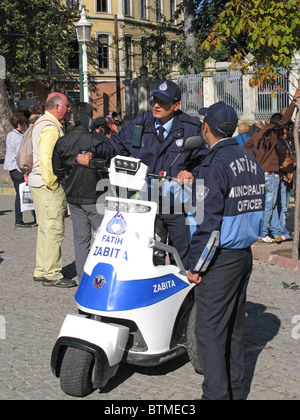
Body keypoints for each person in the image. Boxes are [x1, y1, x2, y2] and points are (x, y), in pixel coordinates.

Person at [177, 101, 265, 400]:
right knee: (234, 329)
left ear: (206, 128)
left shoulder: (211, 165)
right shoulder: (249, 160)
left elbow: (208, 226)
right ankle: (235, 392)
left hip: (219, 258)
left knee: (209, 333)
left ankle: (215, 395)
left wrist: (195, 266)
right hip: (243, 255)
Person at [77, 80, 203, 266]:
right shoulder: (140, 124)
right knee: (147, 252)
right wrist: (91, 152)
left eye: (164, 102)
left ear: (177, 106)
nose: (157, 105)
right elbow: (114, 144)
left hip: (176, 202)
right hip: (144, 199)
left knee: (181, 253)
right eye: (154, 100)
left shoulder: (190, 127)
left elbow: (203, 159)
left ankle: (186, 293)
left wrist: (190, 173)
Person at [52, 102, 107, 281]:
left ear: (75, 116)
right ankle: (101, 277)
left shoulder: (63, 140)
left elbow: (57, 169)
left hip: (74, 195)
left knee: (80, 238)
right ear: (90, 116)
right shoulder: (99, 140)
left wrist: (66, 182)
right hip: (96, 195)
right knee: (103, 239)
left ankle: (83, 276)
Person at [28, 92, 77, 288]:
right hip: (46, 184)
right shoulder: (50, 127)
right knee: (54, 229)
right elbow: (48, 159)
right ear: (57, 107)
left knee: (45, 229)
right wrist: (54, 185)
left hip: (37, 182)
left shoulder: (39, 123)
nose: (67, 110)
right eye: (66, 106)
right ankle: (51, 273)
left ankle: (42, 269)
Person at [243, 88, 300, 243]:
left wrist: (255, 159)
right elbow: (286, 119)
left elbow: (246, 146)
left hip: (261, 172)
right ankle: (262, 234)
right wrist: (293, 102)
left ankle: (275, 231)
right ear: (277, 124)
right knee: (269, 205)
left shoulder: (258, 134)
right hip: (272, 174)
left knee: (270, 205)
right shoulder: (274, 132)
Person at [3, 113, 36, 227]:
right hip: (17, 169)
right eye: (24, 124)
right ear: (19, 124)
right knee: (23, 194)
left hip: (12, 169)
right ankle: (20, 219)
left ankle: (31, 217)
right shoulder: (18, 138)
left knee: (22, 193)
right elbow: (20, 156)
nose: (25, 125)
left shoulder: (11, 135)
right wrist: (25, 171)